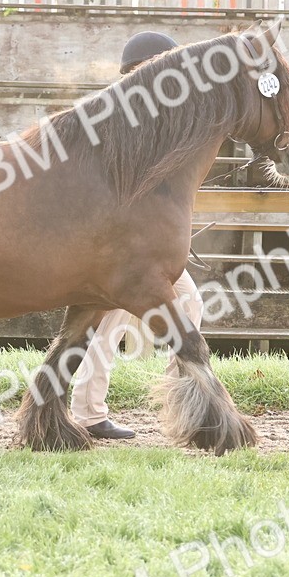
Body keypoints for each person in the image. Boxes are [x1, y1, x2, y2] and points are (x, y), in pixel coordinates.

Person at [69, 31, 201, 440]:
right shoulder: (123, 118)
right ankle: (88, 412)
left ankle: (182, 401)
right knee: (108, 323)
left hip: (145, 249)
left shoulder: (161, 118)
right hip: (117, 249)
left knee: (190, 304)